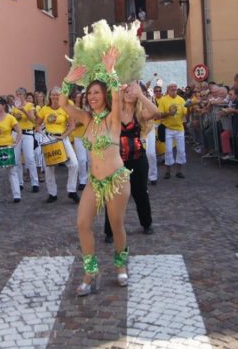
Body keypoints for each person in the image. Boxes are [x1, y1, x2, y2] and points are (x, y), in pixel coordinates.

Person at [60, 47, 132, 296]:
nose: (91, 96)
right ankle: (91, 272)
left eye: (96, 92)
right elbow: (62, 104)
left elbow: (117, 95)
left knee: (116, 224)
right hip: (94, 181)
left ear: (104, 96)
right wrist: (68, 81)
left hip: (116, 180)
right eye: (89, 92)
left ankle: (121, 265)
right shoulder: (87, 120)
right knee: (82, 223)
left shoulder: (113, 120)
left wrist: (111, 70)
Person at [104, 82, 158, 242]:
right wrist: (119, 92)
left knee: (140, 192)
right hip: (116, 160)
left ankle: (146, 224)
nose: (128, 93)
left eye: (131, 91)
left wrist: (141, 94)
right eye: (126, 91)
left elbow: (155, 111)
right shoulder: (115, 113)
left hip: (138, 159)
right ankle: (110, 231)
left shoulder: (139, 113)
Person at [38, 87, 79, 204]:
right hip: (48, 138)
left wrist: (64, 135)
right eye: (53, 95)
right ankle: (52, 193)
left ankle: (71, 191)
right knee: (48, 167)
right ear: (49, 96)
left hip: (62, 138)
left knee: (74, 164)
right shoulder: (44, 109)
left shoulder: (66, 108)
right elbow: (37, 124)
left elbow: (72, 126)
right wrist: (41, 132)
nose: (55, 97)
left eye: (57, 95)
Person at [0, 96, 23, 202]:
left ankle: (16, 195)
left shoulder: (10, 118)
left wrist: (16, 142)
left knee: (12, 171)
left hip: (8, 147)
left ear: (3, 106)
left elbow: (19, 131)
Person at [157, 82, 188, 179]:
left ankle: (179, 171)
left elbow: (185, 113)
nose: (174, 89)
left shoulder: (181, 100)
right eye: (172, 88)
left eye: (175, 88)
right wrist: (169, 113)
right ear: (168, 89)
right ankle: (167, 171)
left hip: (179, 128)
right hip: (168, 129)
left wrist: (189, 107)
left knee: (181, 150)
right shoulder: (163, 100)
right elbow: (160, 114)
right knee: (168, 151)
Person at [71, 91, 89, 191]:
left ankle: (91, 180)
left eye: (86, 97)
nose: (85, 99)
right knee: (82, 160)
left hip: (91, 137)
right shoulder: (76, 110)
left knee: (91, 161)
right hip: (79, 137)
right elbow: (74, 124)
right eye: (83, 97)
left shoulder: (93, 109)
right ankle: (82, 181)